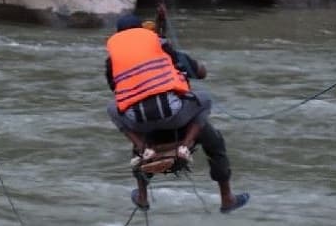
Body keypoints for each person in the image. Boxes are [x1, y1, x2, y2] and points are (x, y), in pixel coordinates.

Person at [104, 14, 250, 213]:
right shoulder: (164, 47)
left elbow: (117, 90)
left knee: (137, 147)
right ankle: (226, 197)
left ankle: (142, 195)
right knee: (215, 143)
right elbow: (201, 73)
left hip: (144, 125)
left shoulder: (114, 60)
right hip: (180, 119)